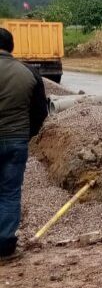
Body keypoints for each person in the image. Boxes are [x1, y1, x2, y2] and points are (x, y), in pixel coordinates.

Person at [0, 28, 48, 264]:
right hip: (16, 141)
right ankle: (6, 247)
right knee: (9, 193)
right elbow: (40, 112)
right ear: (12, 47)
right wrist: (25, 135)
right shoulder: (28, 73)